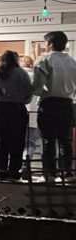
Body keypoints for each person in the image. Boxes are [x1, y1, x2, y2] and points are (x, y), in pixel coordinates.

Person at [31, 31, 76, 182]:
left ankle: (49, 174)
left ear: (50, 44)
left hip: (49, 103)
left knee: (48, 139)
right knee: (65, 140)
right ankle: (67, 173)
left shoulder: (45, 60)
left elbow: (38, 87)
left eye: (46, 43)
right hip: (67, 103)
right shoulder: (72, 61)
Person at [0, 50, 32, 181]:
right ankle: (14, 172)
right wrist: (23, 101)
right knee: (17, 141)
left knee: (0, 141)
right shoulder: (22, 74)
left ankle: (1, 171)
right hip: (17, 109)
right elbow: (28, 95)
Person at [20, 54, 41, 178]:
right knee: (31, 143)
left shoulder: (17, 77)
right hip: (34, 114)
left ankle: (14, 167)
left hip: (18, 113)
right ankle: (25, 163)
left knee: (17, 141)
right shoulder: (37, 78)